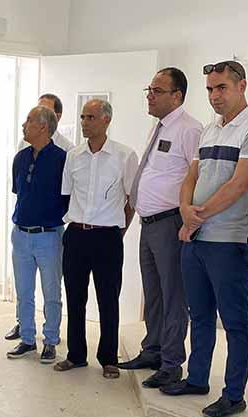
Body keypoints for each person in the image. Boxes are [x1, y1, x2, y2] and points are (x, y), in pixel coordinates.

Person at [160, 60, 248, 417]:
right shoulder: (210, 130)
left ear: (242, 86)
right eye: (210, 89)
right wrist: (184, 209)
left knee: (236, 321)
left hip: (229, 239)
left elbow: (240, 185)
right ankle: (197, 379)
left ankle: (234, 394)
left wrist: (198, 215)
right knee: (200, 314)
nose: (214, 96)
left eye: (221, 88)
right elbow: (191, 174)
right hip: (197, 236)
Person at [115, 67, 203, 391]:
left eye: (156, 90)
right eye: (149, 89)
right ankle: (152, 350)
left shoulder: (190, 129)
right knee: (152, 293)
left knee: (173, 295)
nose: (149, 95)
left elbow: (197, 176)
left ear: (176, 95)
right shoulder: (160, 126)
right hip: (148, 223)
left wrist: (187, 221)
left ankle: (171, 363)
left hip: (170, 224)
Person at [54, 98, 139, 379]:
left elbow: (131, 199)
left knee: (107, 298)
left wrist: (118, 230)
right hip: (76, 235)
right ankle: (76, 355)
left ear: (106, 120)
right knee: (75, 297)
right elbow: (67, 193)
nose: (84, 123)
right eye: (82, 117)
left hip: (107, 238)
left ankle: (108, 358)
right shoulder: (74, 156)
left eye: (90, 117)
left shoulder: (124, 156)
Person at [6, 93, 76, 343]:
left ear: (43, 127)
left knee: (51, 292)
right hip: (21, 234)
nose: (23, 125)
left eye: (28, 120)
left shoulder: (63, 159)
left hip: (49, 235)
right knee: (24, 292)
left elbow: (68, 198)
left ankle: (50, 340)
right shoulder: (20, 157)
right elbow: (19, 191)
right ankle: (26, 338)